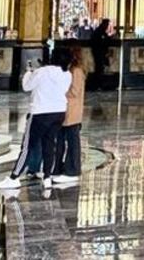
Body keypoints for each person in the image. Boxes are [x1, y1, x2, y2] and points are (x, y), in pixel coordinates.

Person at [0, 48, 72, 190]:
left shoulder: (42, 72)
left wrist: (28, 72)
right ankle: (47, 177)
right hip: (58, 112)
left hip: (40, 112)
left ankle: (14, 177)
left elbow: (26, 86)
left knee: (27, 146)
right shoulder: (67, 74)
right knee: (49, 145)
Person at [53, 46, 86, 184]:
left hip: (72, 111)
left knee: (73, 142)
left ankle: (73, 170)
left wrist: (59, 91)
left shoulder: (77, 71)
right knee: (60, 140)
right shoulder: (69, 70)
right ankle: (58, 168)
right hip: (65, 110)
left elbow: (75, 91)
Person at [89, 18, 112, 91]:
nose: (107, 26)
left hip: (99, 53)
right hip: (98, 53)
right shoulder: (99, 31)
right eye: (107, 24)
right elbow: (101, 41)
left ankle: (98, 85)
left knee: (100, 69)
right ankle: (97, 85)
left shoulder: (101, 31)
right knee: (99, 69)